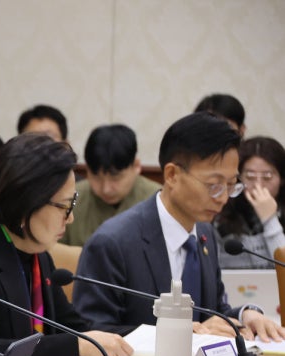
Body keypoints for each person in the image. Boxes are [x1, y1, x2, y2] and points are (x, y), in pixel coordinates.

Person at [74, 112, 284, 341]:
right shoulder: (113, 242)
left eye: (231, 185)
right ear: (172, 175)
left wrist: (244, 316)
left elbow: (211, 314)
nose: (223, 198)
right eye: (214, 185)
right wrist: (182, 334)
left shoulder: (205, 233)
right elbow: (92, 333)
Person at [0, 134, 132, 356]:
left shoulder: (36, 255)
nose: (70, 218)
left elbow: (76, 328)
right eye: (64, 206)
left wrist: (156, 332)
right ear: (27, 201)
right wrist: (76, 346)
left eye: (73, 204)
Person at [61, 124, 160, 247]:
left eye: (115, 178)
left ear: (136, 166)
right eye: (96, 177)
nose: (106, 189)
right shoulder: (70, 197)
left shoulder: (157, 200)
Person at [215, 136, 285, 269]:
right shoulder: (220, 213)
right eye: (250, 177)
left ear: (281, 179)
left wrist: (270, 219)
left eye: (268, 177)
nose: (258, 185)